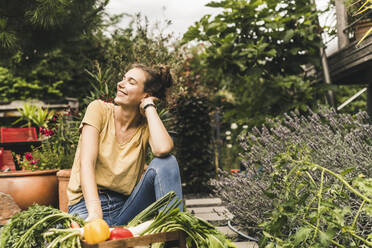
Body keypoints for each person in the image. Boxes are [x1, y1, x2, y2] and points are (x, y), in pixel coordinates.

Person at [67, 63, 183, 226]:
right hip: (86, 205)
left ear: (145, 95)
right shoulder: (99, 110)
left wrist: (149, 107)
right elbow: (86, 163)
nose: (120, 84)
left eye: (131, 82)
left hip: (126, 207)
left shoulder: (146, 126)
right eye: (123, 79)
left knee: (166, 162)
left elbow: (163, 149)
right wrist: (95, 213)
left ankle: (175, 235)